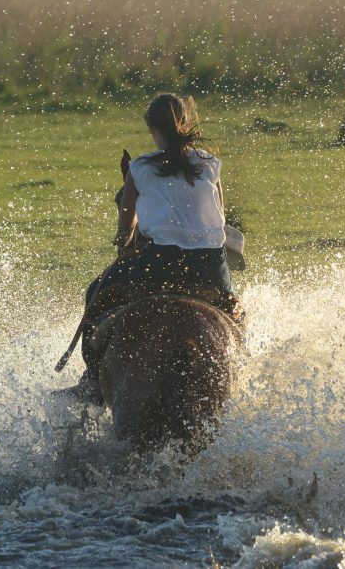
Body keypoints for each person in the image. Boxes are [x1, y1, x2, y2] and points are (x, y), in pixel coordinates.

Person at [70, 93, 238, 403]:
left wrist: (124, 244)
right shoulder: (209, 164)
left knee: (95, 292)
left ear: (153, 131)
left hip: (160, 260)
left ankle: (92, 380)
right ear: (185, 123)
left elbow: (125, 231)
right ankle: (239, 369)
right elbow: (221, 218)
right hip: (209, 264)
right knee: (235, 312)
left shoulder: (139, 168)